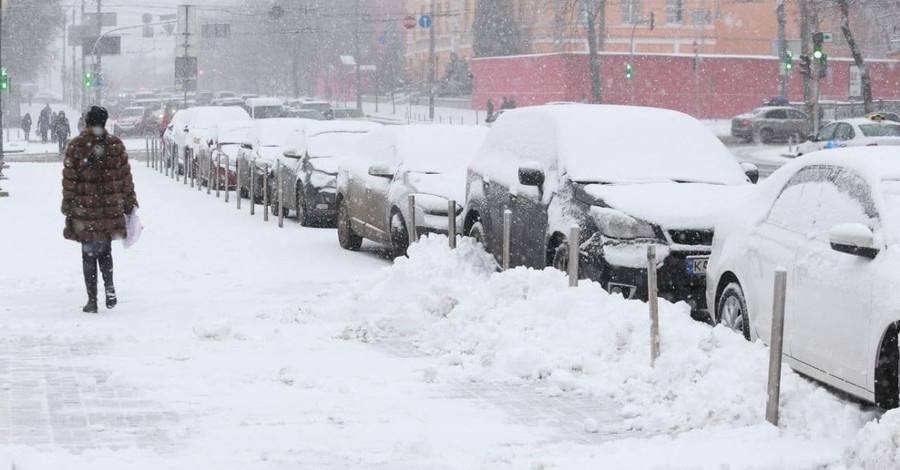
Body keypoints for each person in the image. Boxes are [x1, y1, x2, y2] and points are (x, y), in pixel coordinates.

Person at [61, 106, 138, 314]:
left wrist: (67, 206)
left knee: (88, 254)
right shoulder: (115, 145)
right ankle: (110, 288)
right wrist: (130, 203)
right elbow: (125, 178)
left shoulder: (76, 146)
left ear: (87, 122)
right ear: (105, 122)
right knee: (105, 251)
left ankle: (92, 300)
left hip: (85, 212)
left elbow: (69, 181)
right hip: (109, 210)